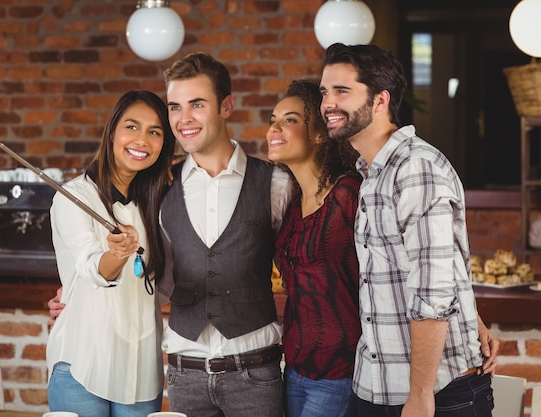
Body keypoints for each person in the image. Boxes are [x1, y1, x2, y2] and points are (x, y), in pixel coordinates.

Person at [319, 42, 497, 417]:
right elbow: (420, 265)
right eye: (324, 92)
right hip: (375, 382)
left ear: (380, 100)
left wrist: (420, 395)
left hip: (436, 392)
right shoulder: (370, 172)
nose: (328, 104)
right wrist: (472, 317)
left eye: (342, 91)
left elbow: (432, 293)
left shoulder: (416, 168)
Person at [157, 52, 292, 417]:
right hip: (186, 374)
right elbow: (157, 280)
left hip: (255, 371)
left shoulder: (275, 183)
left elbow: (303, 271)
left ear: (226, 106)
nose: (183, 119)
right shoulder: (160, 188)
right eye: (175, 107)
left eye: (197, 105)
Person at [46, 90, 175, 417]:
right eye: (131, 127)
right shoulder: (73, 197)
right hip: (83, 364)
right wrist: (116, 254)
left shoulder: (159, 202)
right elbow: (92, 267)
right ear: (112, 132)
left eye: (155, 132)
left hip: (141, 369)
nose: (142, 140)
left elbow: (161, 288)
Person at [266, 79, 361, 417]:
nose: (274, 128)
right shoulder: (292, 205)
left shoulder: (349, 193)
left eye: (289, 120)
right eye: (273, 119)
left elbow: (402, 265)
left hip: (341, 372)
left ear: (320, 133)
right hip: (294, 369)